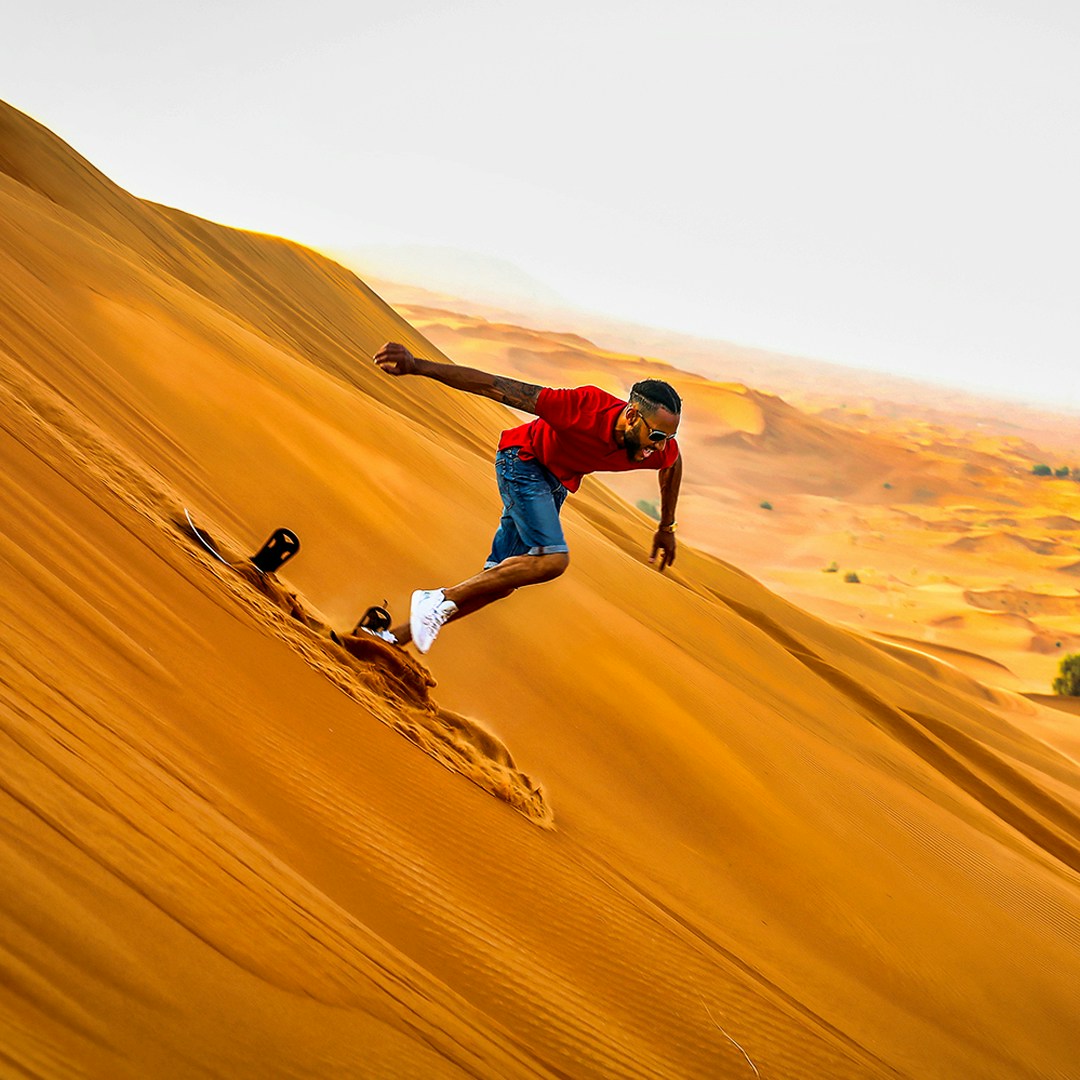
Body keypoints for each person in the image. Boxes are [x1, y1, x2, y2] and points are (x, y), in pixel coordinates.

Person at [371, 341, 683, 653]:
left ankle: (389, 639)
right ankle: (437, 599)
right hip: (522, 461)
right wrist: (416, 366)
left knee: (500, 581)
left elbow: (672, 464)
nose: (658, 446)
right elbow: (494, 386)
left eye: (668, 438)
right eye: (656, 436)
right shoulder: (582, 406)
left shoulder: (655, 447)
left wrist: (666, 526)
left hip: (554, 485)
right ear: (630, 415)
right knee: (552, 560)